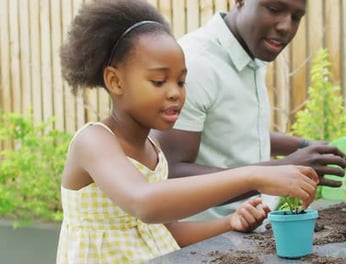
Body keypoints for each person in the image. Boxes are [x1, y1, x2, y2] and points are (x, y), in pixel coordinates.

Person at [56, 0, 319, 262]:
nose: (175, 93)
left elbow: (163, 231)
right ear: (115, 81)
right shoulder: (94, 141)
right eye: (159, 81)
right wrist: (253, 176)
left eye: (181, 82)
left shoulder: (152, 150)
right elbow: (144, 202)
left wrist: (230, 222)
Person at [150, 0, 346, 219]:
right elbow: (171, 173)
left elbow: (234, 131)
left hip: (254, 227)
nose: (286, 27)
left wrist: (302, 146)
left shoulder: (248, 51)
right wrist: (283, 167)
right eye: (274, 9)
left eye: (296, 17)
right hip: (206, 239)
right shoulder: (196, 64)